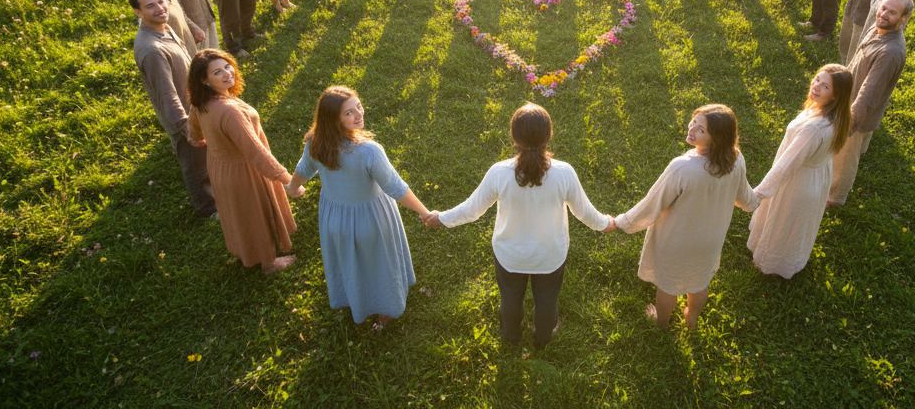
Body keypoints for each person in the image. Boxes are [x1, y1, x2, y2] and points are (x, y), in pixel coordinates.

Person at [423, 103, 615, 349]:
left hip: (510, 255)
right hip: (550, 255)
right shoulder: (564, 173)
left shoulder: (499, 173)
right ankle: (544, 336)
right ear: (549, 135)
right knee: (547, 299)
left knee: (510, 298)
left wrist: (441, 218)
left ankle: (510, 334)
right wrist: (605, 224)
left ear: (514, 137)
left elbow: (472, 210)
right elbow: (585, 213)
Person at [285, 87, 432, 330]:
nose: (359, 115)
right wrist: (424, 212)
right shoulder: (368, 151)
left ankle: (355, 298)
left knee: (350, 261)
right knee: (379, 262)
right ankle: (387, 306)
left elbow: (304, 169)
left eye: (359, 107)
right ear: (334, 119)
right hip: (371, 218)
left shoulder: (315, 142)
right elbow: (396, 187)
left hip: (335, 218)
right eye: (349, 113)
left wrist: (292, 188)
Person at [613, 104, 759, 330]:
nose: (691, 129)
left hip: (677, 239)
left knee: (668, 286)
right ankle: (691, 318)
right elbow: (745, 198)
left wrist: (621, 222)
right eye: (694, 122)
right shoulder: (735, 159)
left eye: (701, 129)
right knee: (699, 282)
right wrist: (759, 200)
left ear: (717, 138)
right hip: (710, 239)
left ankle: (662, 323)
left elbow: (652, 205)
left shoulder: (682, 168)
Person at [187, 49, 297, 274]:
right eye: (218, 72)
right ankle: (268, 263)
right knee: (256, 213)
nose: (228, 73)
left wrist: (202, 138)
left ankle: (248, 251)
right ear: (204, 80)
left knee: (240, 213)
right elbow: (255, 152)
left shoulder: (201, 102)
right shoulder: (230, 112)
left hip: (219, 166)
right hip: (243, 170)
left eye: (228, 66)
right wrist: (288, 180)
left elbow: (194, 132)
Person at [747, 64, 853, 278]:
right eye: (816, 80)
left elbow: (786, 166)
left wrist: (756, 194)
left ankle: (773, 263)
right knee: (796, 224)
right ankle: (789, 259)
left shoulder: (813, 129)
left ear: (835, 95)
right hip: (816, 176)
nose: (815, 87)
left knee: (783, 221)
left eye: (825, 86)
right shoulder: (835, 115)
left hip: (798, 180)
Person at [129, 0, 214, 217]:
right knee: (194, 164)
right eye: (150, 6)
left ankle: (215, 194)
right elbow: (166, 94)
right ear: (138, 13)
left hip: (194, 107)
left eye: (161, 1)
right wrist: (185, 127)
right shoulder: (152, 49)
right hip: (183, 117)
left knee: (205, 157)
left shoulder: (163, 27)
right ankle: (207, 208)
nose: (160, 8)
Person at [827, 0, 912, 207]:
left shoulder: (890, 51)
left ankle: (835, 198)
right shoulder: (879, 28)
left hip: (857, 113)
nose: (883, 14)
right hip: (848, 100)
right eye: (883, 8)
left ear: (904, 18)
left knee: (845, 157)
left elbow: (868, 94)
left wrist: (848, 125)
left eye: (892, 12)